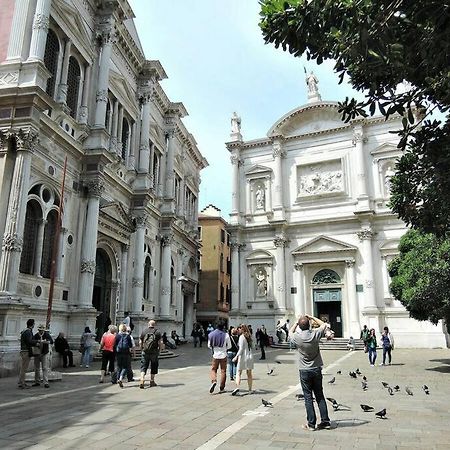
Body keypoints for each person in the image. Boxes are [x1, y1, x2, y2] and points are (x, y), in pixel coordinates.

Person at [290, 314, 331, 431]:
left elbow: (289, 332)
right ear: (309, 325)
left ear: (300, 326)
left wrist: (296, 323)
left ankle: (311, 424)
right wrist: (311, 317)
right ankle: (325, 421)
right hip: (317, 368)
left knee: (308, 397)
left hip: (304, 370)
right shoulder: (315, 334)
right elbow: (323, 325)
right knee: (320, 396)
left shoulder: (296, 337)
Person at [208, 322, 231, 394]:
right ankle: (222, 388)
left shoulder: (211, 334)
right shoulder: (226, 335)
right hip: (223, 354)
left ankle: (214, 381)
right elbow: (230, 346)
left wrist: (214, 349)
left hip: (215, 354)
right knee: (223, 371)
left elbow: (209, 345)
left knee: (213, 369)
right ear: (223, 327)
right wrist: (225, 348)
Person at [139, 319, 162, 389]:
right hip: (154, 352)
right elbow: (160, 343)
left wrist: (141, 348)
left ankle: (142, 379)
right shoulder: (157, 332)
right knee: (154, 365)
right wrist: (160, 350)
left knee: (143, 366)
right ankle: (152, 381)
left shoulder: (144, 331)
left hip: (145, 351)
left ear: (148, 324)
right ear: (154, 325)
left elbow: (140, 342)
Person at [232, 324, 254, 396]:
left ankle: (237, 387)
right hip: (249, 356)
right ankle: (250, 389)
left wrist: (236, 356)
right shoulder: (249, 336)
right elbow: (253, 346)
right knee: (249, 374)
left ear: (242, 329)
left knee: (238, 372)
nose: (238, 330)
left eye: (239, 329)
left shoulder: (241, 337)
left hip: (243, 357)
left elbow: (241, 349)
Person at [18, 319, 40, 389]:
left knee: (23, 368)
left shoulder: (25, 331)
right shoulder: (28, 332)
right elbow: (29, 341)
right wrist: (37, 341)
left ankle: (21, 382)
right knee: (24, 368)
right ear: (32, 324)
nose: (34, 325)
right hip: (26, 351)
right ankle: (22, 383)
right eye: (34, 324)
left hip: (24, 350)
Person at [114, 324, 133, 388]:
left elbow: (115, 344)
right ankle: (121, 378)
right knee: (125, 367)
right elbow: (130, 346)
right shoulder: (128, 336)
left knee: (119, 366)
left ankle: (117, 378)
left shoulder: (117, 336)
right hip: (126, 353)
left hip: (119, 353)